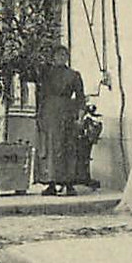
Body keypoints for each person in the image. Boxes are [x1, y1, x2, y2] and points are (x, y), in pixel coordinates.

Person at [35, 45, 86, 196]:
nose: (61, 57)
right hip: (49, 113)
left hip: (66, 113)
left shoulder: (74, 75)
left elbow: (80, 97)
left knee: (67, 146)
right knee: (50, 147)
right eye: (58, 55)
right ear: (53, 57)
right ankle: (50, 183)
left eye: (64, 55)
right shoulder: (46, 74)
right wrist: (39, 114)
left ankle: (69, 184)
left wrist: (80, 117)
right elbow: (40, 94)